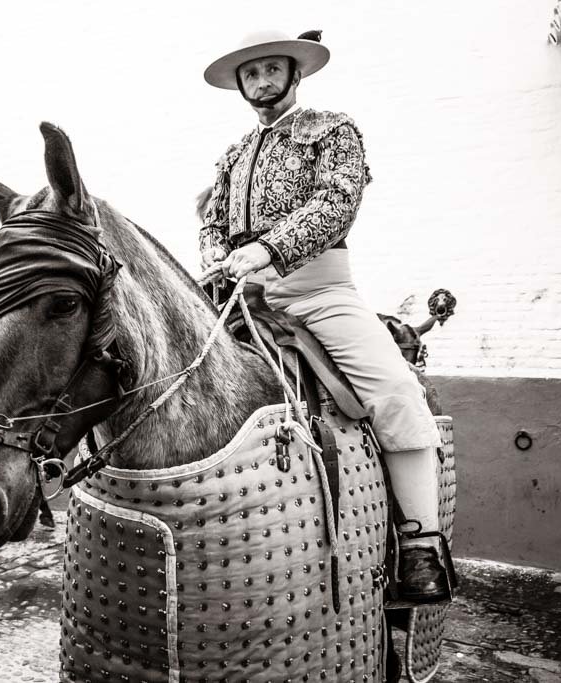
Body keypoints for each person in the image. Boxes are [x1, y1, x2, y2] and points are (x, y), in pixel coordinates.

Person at [199, 30, 453, 603]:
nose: (261, 82)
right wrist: (215, 256)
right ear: (240, 84)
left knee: (393, 389)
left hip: (319, 291)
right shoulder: (232, 157)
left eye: (271, 70)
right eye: (251, 73)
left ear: (295, 73)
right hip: (241, 292)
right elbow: (211, 222)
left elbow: (338, 200)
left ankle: (422, 548)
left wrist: (270, 248)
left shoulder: (332, 130)